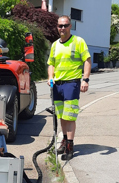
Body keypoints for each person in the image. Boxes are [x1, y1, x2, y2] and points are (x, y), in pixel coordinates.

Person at [47, 15, 91, 160]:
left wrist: (85, 79)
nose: (62, 28)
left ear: (70, 26)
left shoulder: (78, 42)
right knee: (61, 115)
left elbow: (87, 60)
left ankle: (70, 147)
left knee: (70, 115)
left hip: (71, 83)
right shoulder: (55, 45)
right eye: (60, 26)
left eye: (65, 25)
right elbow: (51, 63)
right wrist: (50, 77)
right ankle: (64, 140)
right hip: (57, 85)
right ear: (57, 27)